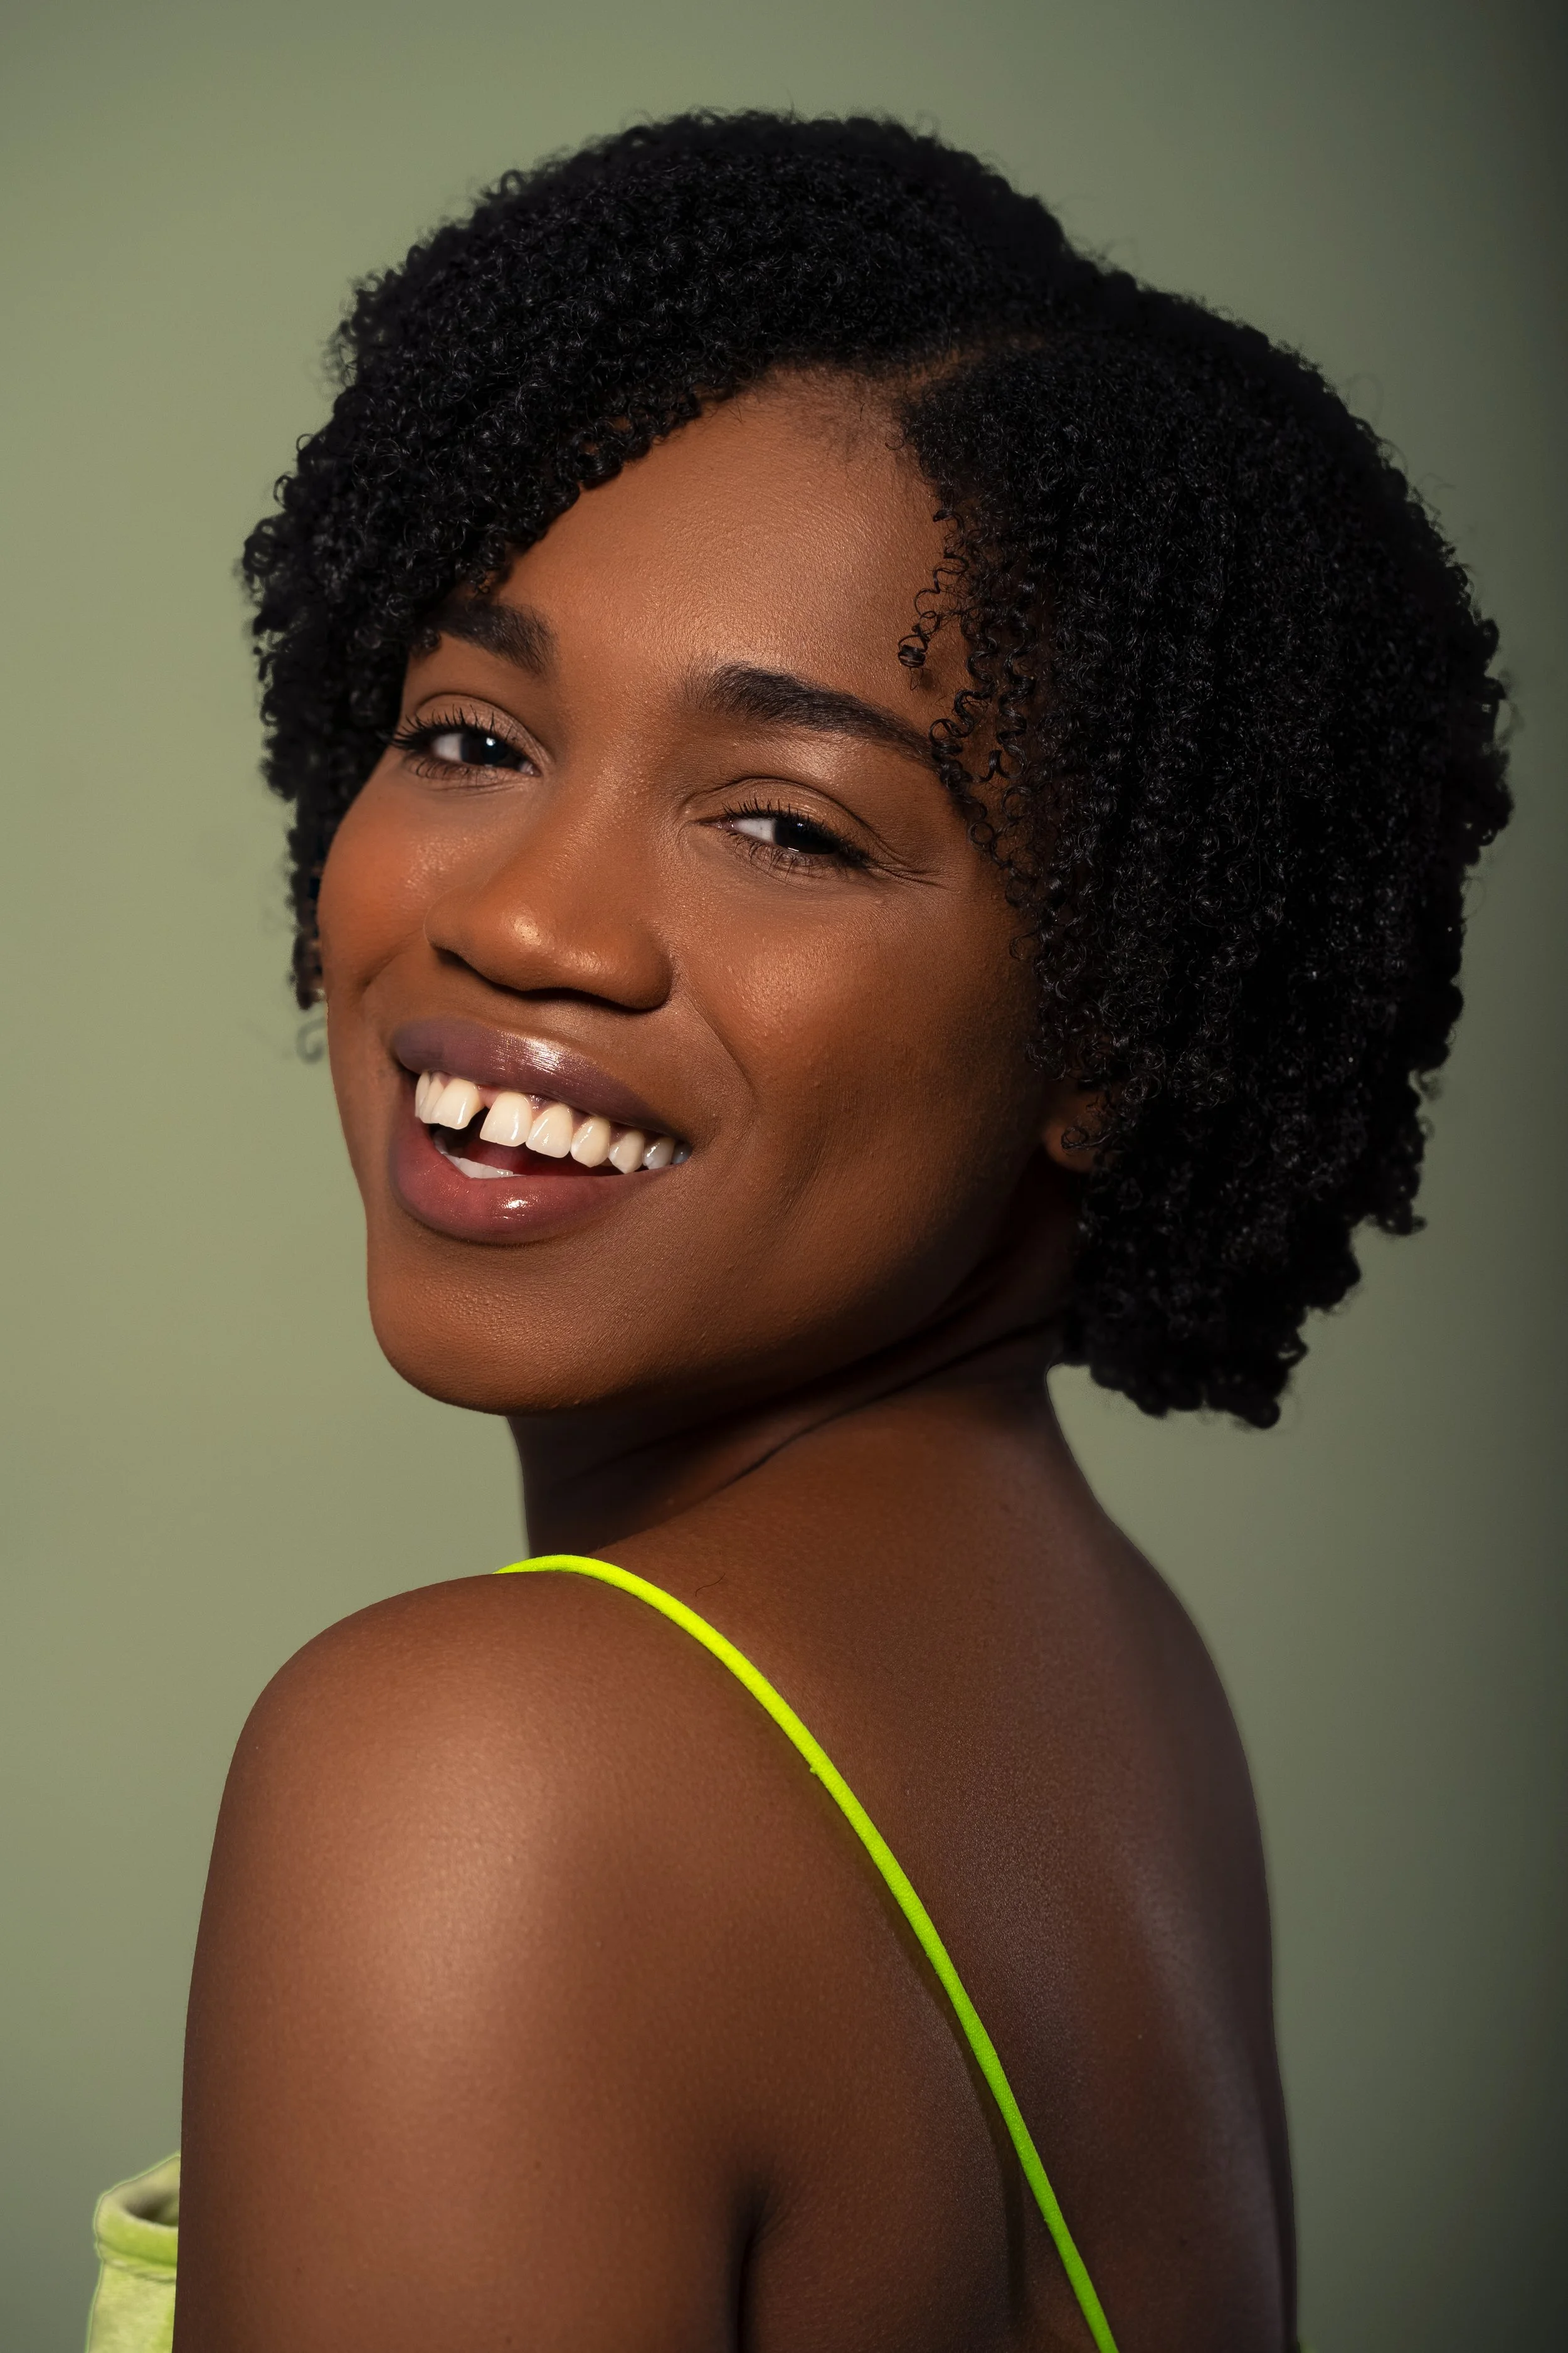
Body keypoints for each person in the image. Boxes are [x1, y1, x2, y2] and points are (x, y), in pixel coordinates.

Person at [85, 112, 1508, 2353]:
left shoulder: (490, 1779)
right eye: (468, 733)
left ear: (1116, 1020)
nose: (531, 917)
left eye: (784, 824)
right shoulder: (1106, 1664)